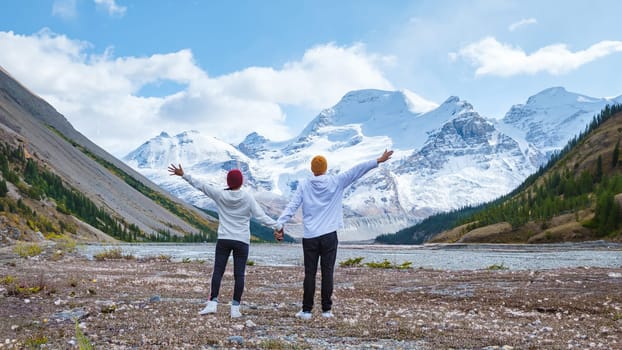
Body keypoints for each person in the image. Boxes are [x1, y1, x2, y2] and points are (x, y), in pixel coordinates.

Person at [274, 149, 393, 319]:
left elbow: (292, 206)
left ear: (312, 169)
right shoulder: (336, 181)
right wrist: (378, 160)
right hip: (329, 235)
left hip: (310, 236)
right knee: (327, 272)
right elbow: (357, 170)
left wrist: (279, 224)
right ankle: (326, 310)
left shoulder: (304, 184)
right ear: (325, 168)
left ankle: (306, 310)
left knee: (310, 273)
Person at [168, 164, 282, 318]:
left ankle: (212, 303)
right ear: (241, 183)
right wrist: (278, 226)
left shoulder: (220, 195)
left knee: (218, 271)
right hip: (241, 240)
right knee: (239, 274)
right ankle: (235, 308)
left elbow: (201, 186)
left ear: (228, 182)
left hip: (224, 239)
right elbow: (261, 217)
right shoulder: (248, 198)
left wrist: (184, 175)